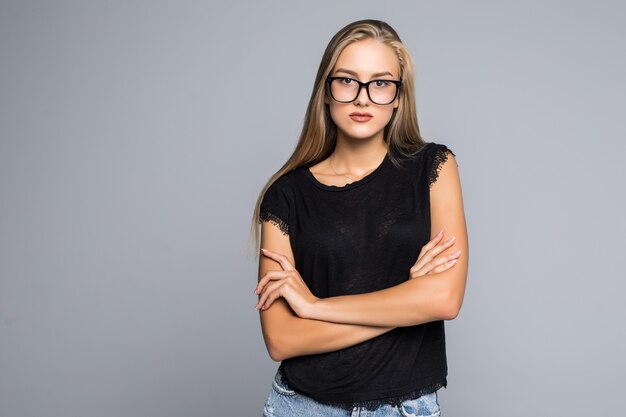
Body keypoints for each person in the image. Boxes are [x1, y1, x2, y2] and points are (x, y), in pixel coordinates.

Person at [250, 19, 468, 417]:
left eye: (381, 83)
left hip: (406, 408)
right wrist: (407, 299)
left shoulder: (434, 167)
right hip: (303, 406)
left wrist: (315, 307)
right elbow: (282, 340)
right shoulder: (285, 196)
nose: (363, 99)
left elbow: (443, 299)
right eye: (348, 81)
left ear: (400, 96)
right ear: (326, 91)